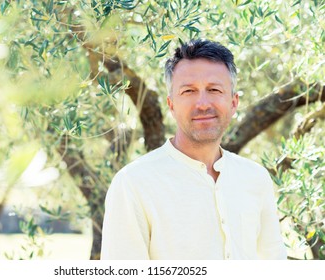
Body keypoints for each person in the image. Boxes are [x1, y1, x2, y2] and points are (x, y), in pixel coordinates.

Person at [100, 39, 287, 260]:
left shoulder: (255, 178)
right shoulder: (133, 183)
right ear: (171, 105)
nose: (203, 104)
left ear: (233, 102)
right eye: (188, 91)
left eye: (214, 89)